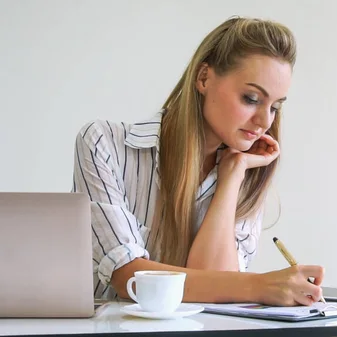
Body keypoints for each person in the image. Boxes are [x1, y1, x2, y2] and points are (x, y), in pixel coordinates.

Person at [71, 16, 324, 306]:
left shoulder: (247, 172)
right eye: (251, 98)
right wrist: (260, 285)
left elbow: (216, 292)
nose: (264, 121)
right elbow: (128, 278)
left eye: (275, 107)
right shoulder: (104, 143)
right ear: (204, 78)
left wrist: (232, 175)